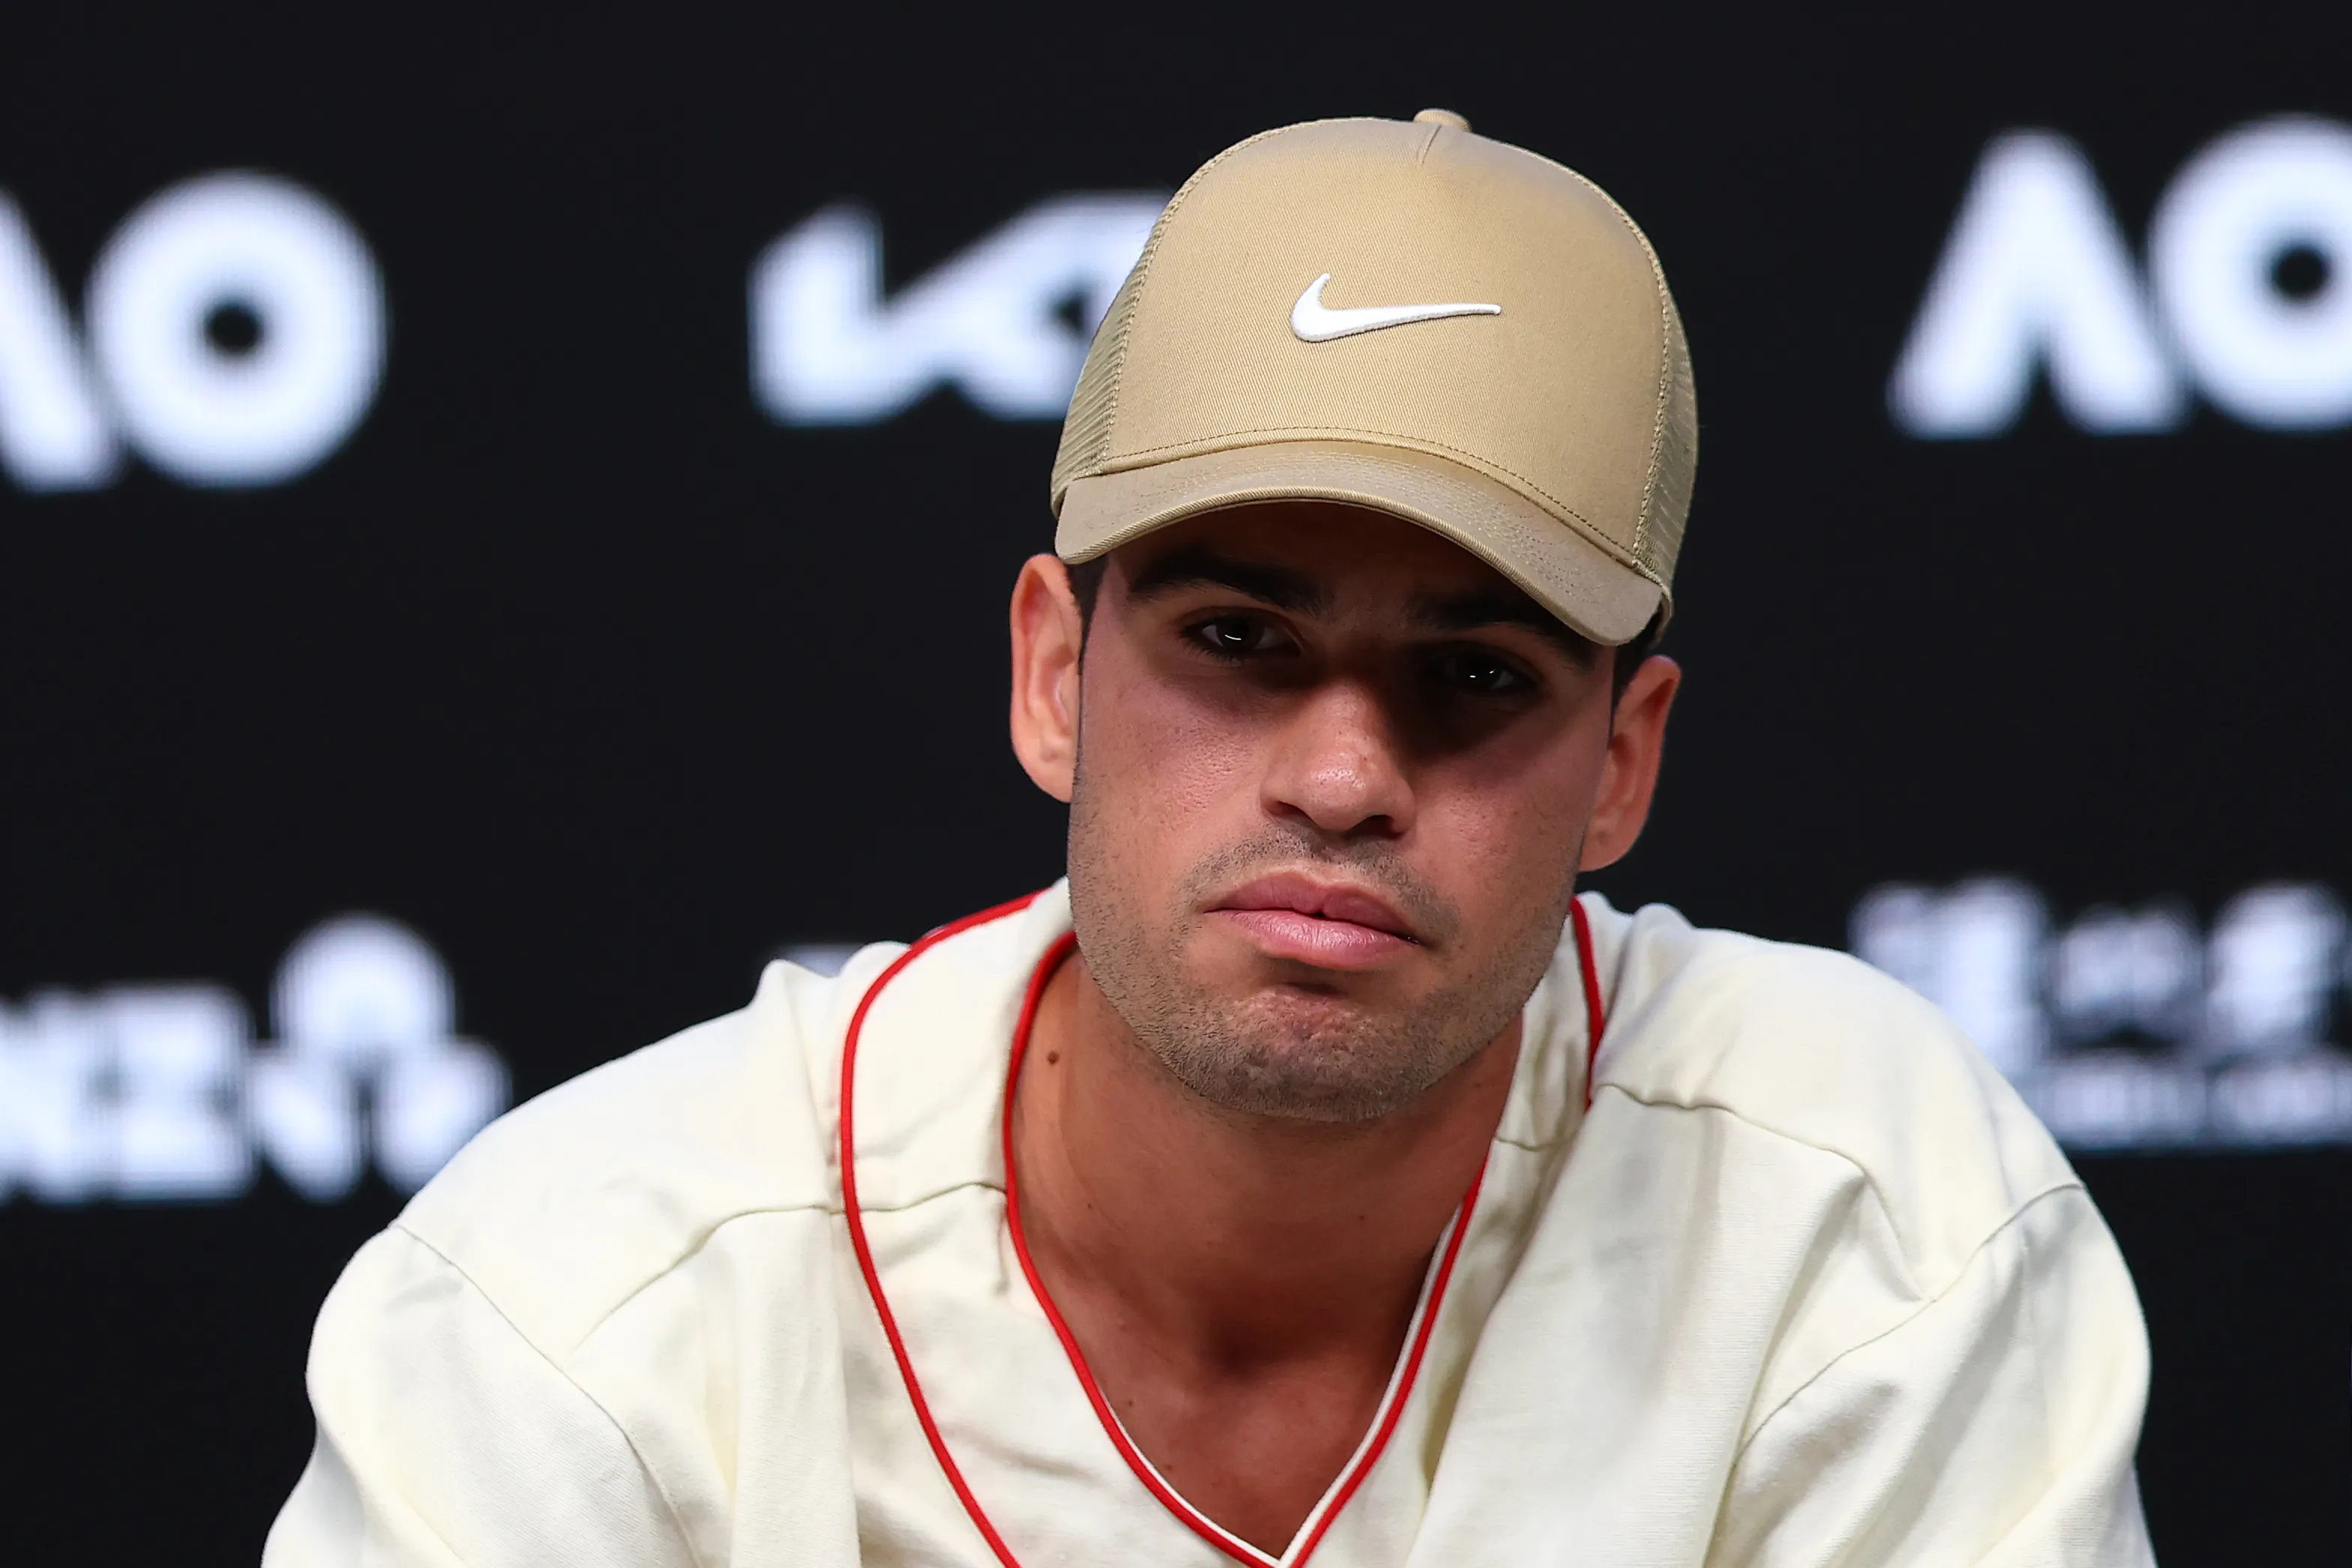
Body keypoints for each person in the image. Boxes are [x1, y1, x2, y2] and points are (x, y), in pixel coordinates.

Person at [265, 111, 2155, 1567]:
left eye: (1474, 675)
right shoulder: (578, 1314)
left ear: (1619, 762)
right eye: (1240, 642)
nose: (1340, 776)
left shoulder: (1862, 1219)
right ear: (1052, 671)